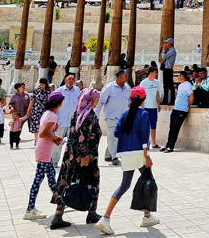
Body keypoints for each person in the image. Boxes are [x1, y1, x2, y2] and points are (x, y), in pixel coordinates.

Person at [95, 87, 158, 234]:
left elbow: (117, 132)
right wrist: (147, 156)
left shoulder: (124, 114)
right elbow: (144, 138)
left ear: (130, 98)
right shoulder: (144, 114)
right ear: (143, 99)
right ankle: (147, 216)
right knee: (148, 181)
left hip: (126, 153)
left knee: (125, 185)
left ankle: (106, 217)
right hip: (139, 153)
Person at [49, 88, 102, 229]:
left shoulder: (77, 114)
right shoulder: (88, 116)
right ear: (90, 100)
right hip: (85, 158)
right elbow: (82, 138)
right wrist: (85, 156)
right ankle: (92, 213)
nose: (98, 101)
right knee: (93, 183)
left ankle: (58, 215)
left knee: (68, 182)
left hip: (71, 156)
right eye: (96, 98)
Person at [23, 91, 65, 222]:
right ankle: (30, 209)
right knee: (39, 180)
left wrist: (53, 136)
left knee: (51, 177)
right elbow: (43, 134)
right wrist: (56, 137)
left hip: (44, 151)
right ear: (58, 103)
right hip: (44, 152)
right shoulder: (52, 116)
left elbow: (46, 133)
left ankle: (60, 201)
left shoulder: (48, 114)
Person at [98, 69, 131, 165]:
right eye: (125, 75)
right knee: (113, 137)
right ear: (119, 77)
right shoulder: (109, 87)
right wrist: (96, 114)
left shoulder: (127, 87)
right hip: (111, 116)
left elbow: (129, 100)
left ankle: (108, 155)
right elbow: (101, 101)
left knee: (117, 137)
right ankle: (114, 157)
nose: (126, 77)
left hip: (123, 117)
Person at [162, 70, 193, 152]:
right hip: (176, 108)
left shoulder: (188, 85)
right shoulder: (180, 85)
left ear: (183, 76)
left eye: (179, 75)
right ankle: (167, 144)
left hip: (182, 110)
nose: (178, 77)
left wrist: (187, 106)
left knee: (175, 128)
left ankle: (171, 146)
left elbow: (191, 97)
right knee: (171, 127)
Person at [53, 74, 81, 164]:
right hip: (60, 121)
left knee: (72, 143)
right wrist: (54, 121)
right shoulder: (59, 91)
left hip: (73, 123)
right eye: (69, 79)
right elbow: (53, 107)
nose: (71, 80)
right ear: (65, 80)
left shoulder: (77, 91)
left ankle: (69, 160)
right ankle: (54, 160)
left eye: (73, 79)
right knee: (57, 142)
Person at [139, 67, 162, 148]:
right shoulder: (143, 83)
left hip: (153, 108)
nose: (156, 74)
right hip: (146, 107)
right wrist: (142, 106)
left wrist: (158, 104)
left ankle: (153, 143)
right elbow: (141, 95)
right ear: (151, 73)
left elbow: (157, 94)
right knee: (145, 125)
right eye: (155, 72)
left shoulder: (157, 83)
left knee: (153, 126)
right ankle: (144, 143)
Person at [160, 38, 177, 106]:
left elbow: (164, 57)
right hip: (166, 70)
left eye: (166, 43)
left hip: (168, 70)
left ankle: (172, 100)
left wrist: (164, 50)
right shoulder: (169, 51)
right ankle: (165, 100)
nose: (165, 44)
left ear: (170, 44)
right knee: (166, 86)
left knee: (170, 86)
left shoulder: (172, 51)